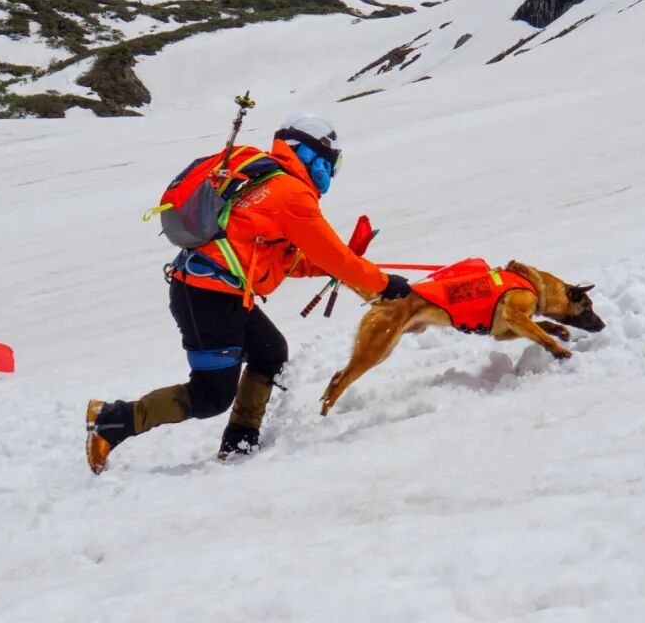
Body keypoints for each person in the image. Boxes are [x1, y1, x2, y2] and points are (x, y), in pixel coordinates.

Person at [86, 113, 411, 473]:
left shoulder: (269, 185)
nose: (329, 174)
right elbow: (334, 256)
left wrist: (349, 271)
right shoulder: (291, 194)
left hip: (214, 292)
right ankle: (112, 420)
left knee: (270, 352)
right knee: (211, 394)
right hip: (208, 297)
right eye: (330, 163)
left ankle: (240, 443)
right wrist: (383, 284)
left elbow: (291, 259)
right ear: (309, 153)